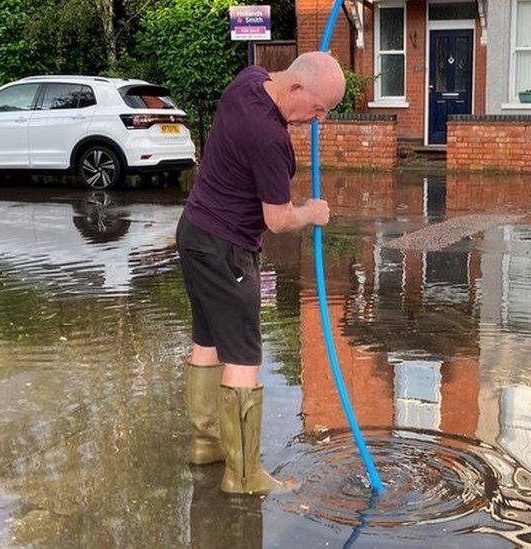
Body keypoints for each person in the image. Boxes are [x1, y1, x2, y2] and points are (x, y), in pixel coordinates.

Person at [176, 52, 345, 495]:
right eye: (317, 108)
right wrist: (313, 212)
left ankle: (205, 444)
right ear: (294, 89)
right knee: (244, 359)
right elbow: (278, 220)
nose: (318, 120)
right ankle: (244, 474)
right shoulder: (271, 140)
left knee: (207, 340)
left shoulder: (247, 80)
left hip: (193, 233)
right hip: (226, 250)